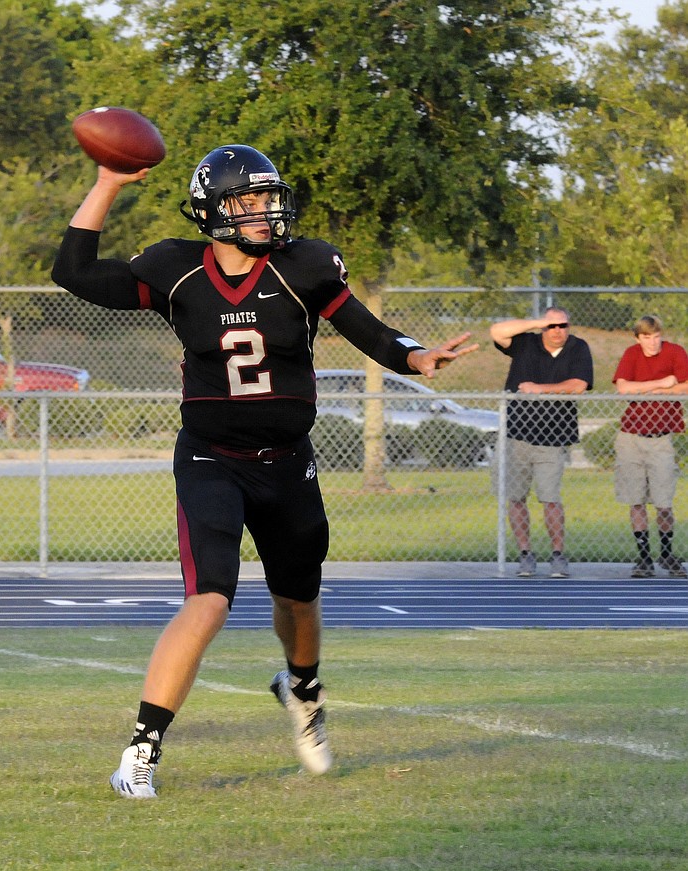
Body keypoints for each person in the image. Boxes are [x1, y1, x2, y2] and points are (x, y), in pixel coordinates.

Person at [52, 144, 477, 798]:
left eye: (268, 196)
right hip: (209, 459)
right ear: (213, 210)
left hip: (288, 464)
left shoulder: (301, 265)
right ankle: (139, 752)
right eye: (249, 200)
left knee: (298, 600)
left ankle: (303, 690)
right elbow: (74, 272)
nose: (265, 210)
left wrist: (417, 358)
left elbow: (367, 330)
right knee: (208, 600)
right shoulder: (175, 269)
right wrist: (108, 179)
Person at [490, 307, 593, 579]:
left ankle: (558, 555)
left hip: (553, 437)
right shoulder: (525, 342)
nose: (557, 331)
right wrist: (538, 323)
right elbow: (496, 332)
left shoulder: (578, 347)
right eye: (552, 326)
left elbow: (578, 385)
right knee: (515, 497)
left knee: (550, 498)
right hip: (517, 434)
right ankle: (525, 554)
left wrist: (539, 390)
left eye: (562, 325)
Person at [612, 315, 688, 579]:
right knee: (636, 501)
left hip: (661, 438)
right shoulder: (631, 354)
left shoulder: (675, 352)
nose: (652, 342)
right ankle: (644, 558)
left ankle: (666, 553)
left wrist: (658, 393)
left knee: (664, 502)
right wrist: (661, 384)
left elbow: (686, 385)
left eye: (656, 336)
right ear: (637, 338)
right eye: (646, 337)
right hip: (631, 436)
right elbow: (624, 388)